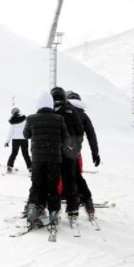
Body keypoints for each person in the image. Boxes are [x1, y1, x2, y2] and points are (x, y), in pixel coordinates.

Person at [24, 91, 69, 229]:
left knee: (36, 185)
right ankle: (54, 215)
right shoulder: (59, 119)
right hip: (54, 159)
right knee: (52, 187)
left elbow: (26, 135)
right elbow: (65, 137)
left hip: (37, 159)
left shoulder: (31, 119)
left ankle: (32, 212)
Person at [51, 87, 84, 223]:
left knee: (53, 179)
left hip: (54, 151)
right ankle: (72, 208)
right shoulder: (71, 111)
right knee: (69, 179)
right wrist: (76, 149)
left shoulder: (51, 111)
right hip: (70, 152)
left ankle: (54, 206)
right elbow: (80, 131)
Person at [67, 92, 101, 217]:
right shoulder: (84, 116)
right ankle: (87, 201)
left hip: (60, 151)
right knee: (77, 177)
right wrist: (95, 153)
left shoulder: (63, 111)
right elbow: (91, 135)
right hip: (75, 153)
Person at [5, 107, 31, 174]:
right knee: (26, 154)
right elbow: (28, 129)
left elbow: (10, 132)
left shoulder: (13, 121)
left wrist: (7, 141)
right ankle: (31, 168)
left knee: (14, 153)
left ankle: (9, 167)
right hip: (24, 139)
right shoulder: (25, 119)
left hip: (15, 140)